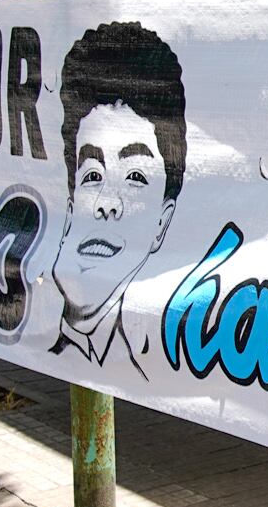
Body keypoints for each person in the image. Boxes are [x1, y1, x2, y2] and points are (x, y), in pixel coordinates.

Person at [50, 21, 187, 376]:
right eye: (92, 175)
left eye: (135, 177)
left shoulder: (147, 368)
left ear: (162, 221)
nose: (106, 203)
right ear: (69, 206)